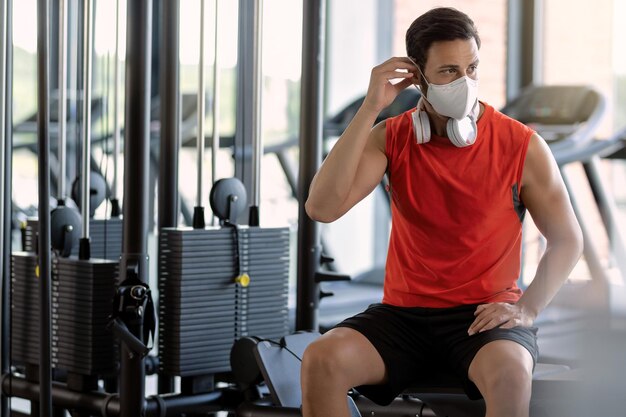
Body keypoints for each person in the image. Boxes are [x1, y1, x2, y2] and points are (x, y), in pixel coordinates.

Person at [302, 7, 583, 417]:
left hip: (482, 319)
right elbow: (322, 208)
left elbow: (568, 239)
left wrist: (527, 308)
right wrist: (369, 110)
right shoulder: (391, 137)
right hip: (403, 317)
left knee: (511, 374)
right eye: (449, 71)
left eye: (472, 68)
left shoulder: (522, 145)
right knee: (320, 360)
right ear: (417, 74)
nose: (465, 82)